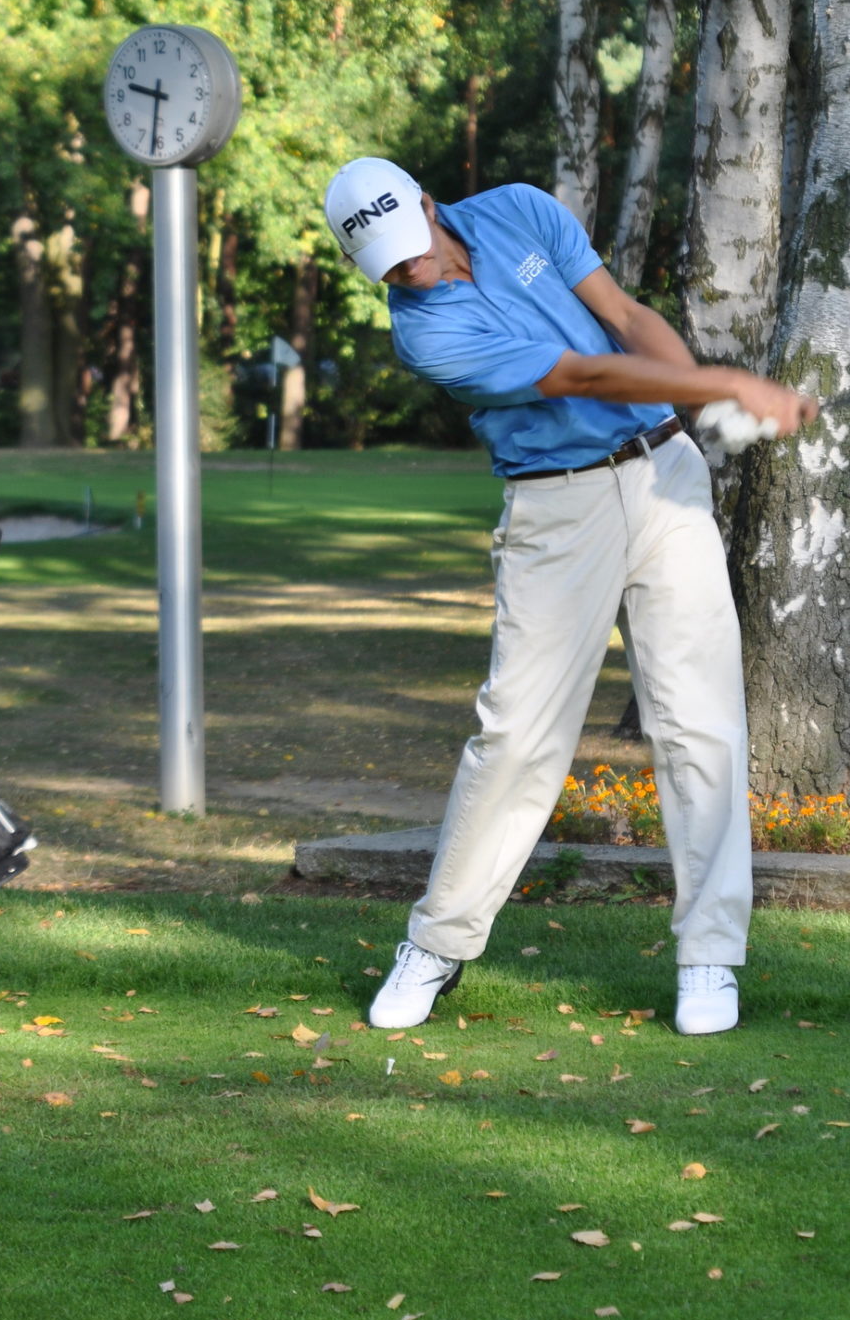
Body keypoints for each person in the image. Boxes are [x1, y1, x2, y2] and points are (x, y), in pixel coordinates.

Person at [323, 160, 817, 1035]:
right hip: (559, 510)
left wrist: (693, 406)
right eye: (392, 270)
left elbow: (623, 317)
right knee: (517, 735)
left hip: (665, 476)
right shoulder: (425, 334)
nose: (415, 274)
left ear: (430, 206)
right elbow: (582, 376)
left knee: (701, 717)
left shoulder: (516, 209)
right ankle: (436, 943)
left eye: (416, 251)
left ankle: (710, 957)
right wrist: (730, 385)